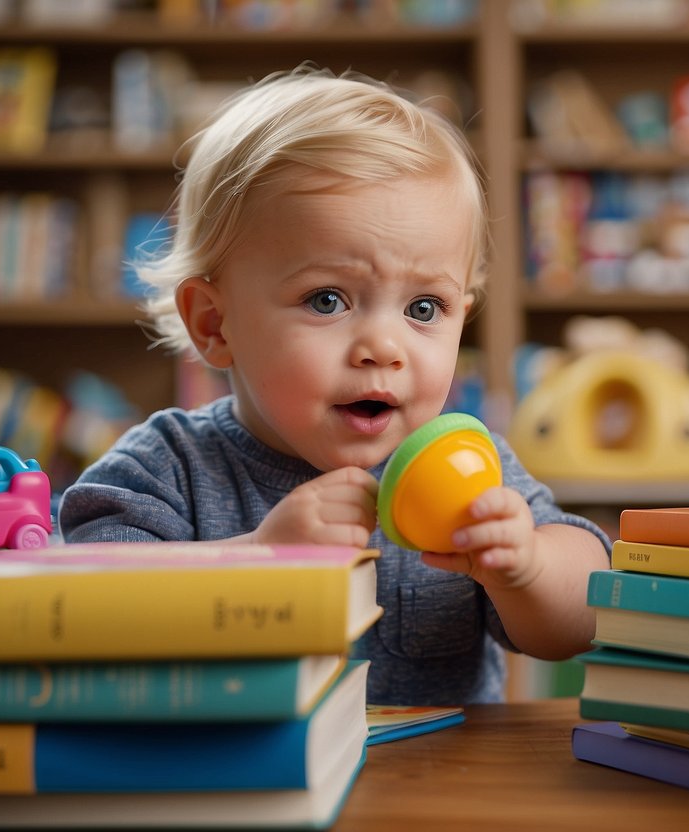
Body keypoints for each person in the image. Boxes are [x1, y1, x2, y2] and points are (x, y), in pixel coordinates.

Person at [59, 66, 611, 705]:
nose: (384, 347)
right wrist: (255, 557)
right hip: (242, 786)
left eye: (424, 308)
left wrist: (529, 568)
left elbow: (584, 618)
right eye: (327, 300)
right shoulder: (168, 467)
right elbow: (82, 604)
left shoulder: (464, 465)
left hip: (444, 793)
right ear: (214, 324)